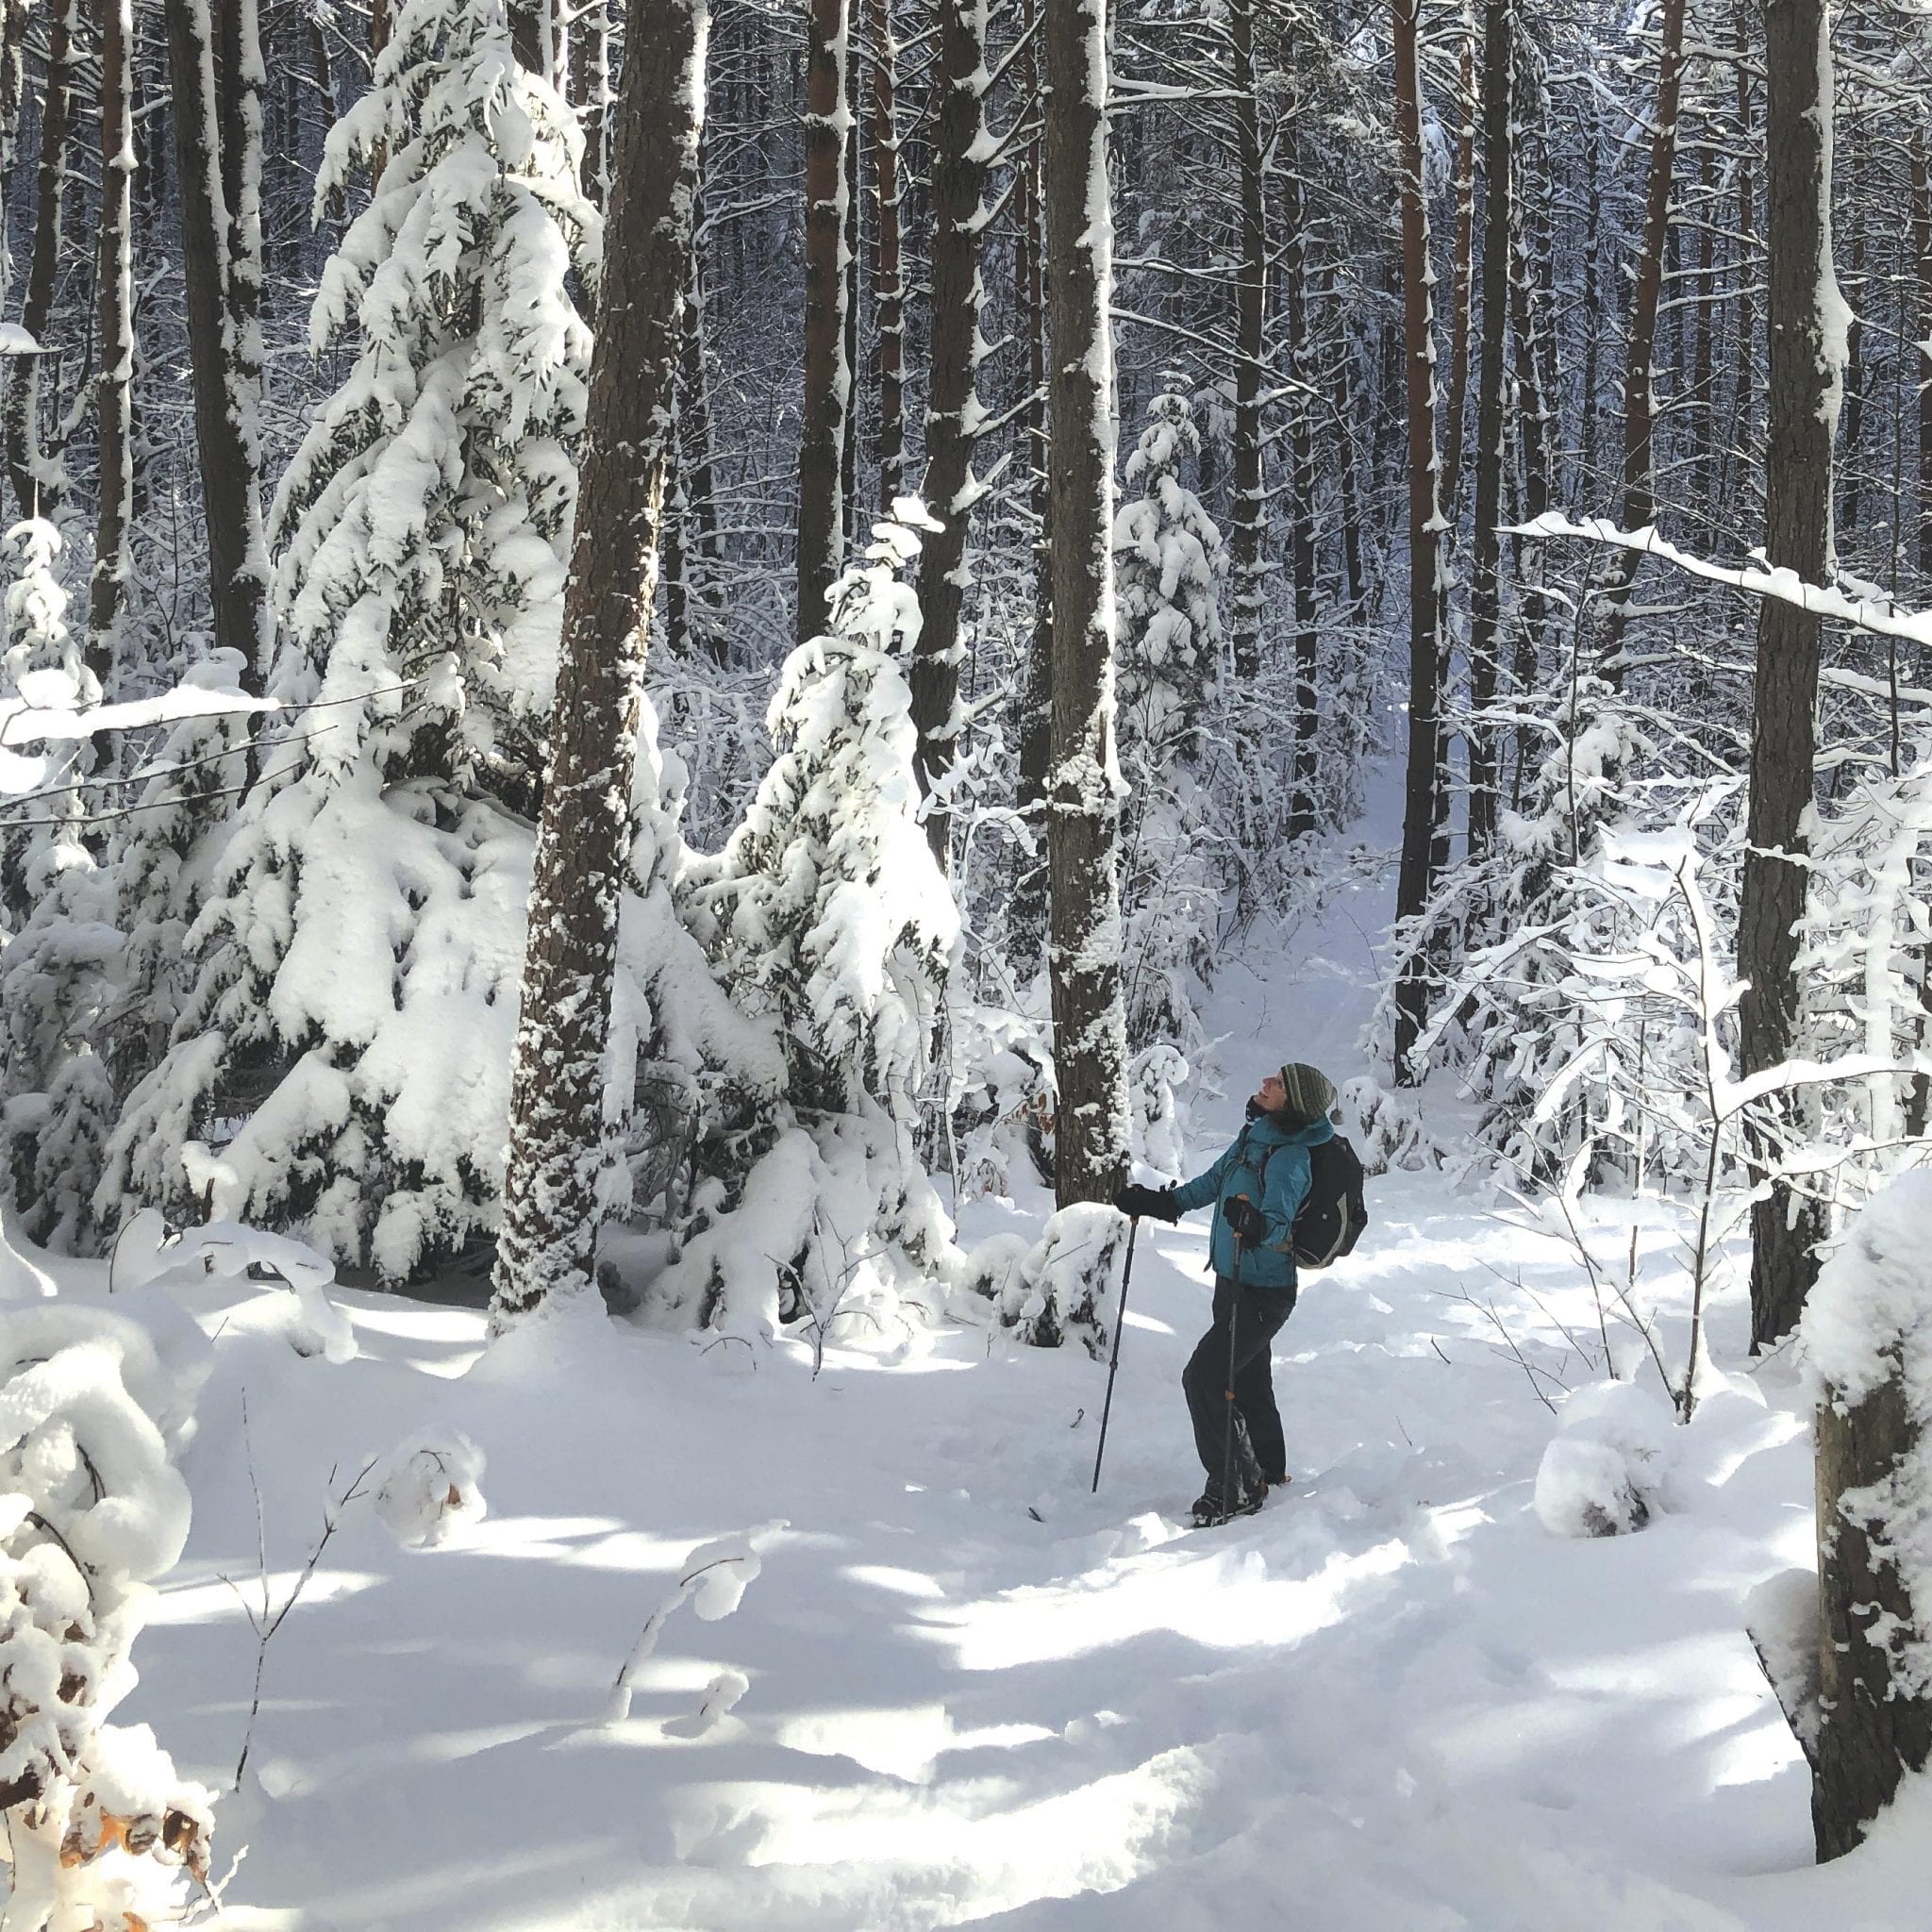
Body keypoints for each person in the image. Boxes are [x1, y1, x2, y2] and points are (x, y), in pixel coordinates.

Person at [1115, 1062, 1338, 1526]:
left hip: (1264, 1292)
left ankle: (1233, 1486)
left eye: (1276, 1084)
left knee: (1204, 1378)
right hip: (1232, 1280)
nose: (1265, 1082)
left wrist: (1256, 1225)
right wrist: (1160, 1203)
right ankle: (1269, 1472)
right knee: (1249, 1379)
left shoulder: (1291, 1157)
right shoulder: (1255, 1137)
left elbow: (1279, 1218)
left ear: (1292, 1102)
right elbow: (1213, 1184)